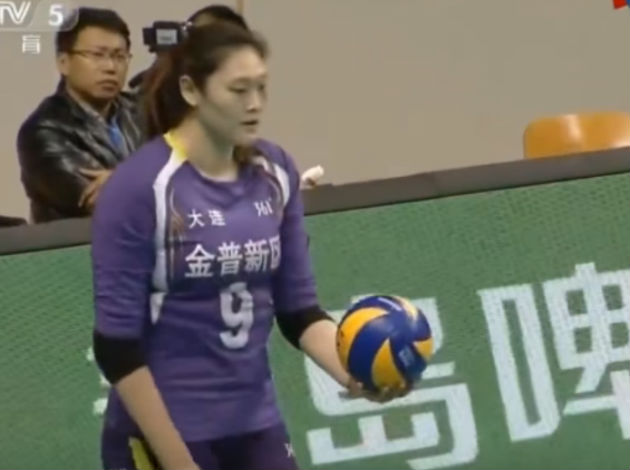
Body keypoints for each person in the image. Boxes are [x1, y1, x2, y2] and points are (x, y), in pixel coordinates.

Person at [91, 23, 404, 470]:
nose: (254, 104)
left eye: (261, 87)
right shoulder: (140, 187)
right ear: (191, 90)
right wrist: (178, 460)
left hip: (255, 425)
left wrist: (356, 374)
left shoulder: (275, 172)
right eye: (238, 90)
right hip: (165, 433)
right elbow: (116, 347)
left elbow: (299, 311)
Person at [16, 7, 143, 223]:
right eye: (97, 55)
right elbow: (107, 202)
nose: (111, 67)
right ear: (63, 62)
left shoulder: (142, 109)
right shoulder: (44, 131)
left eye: (119, 56)